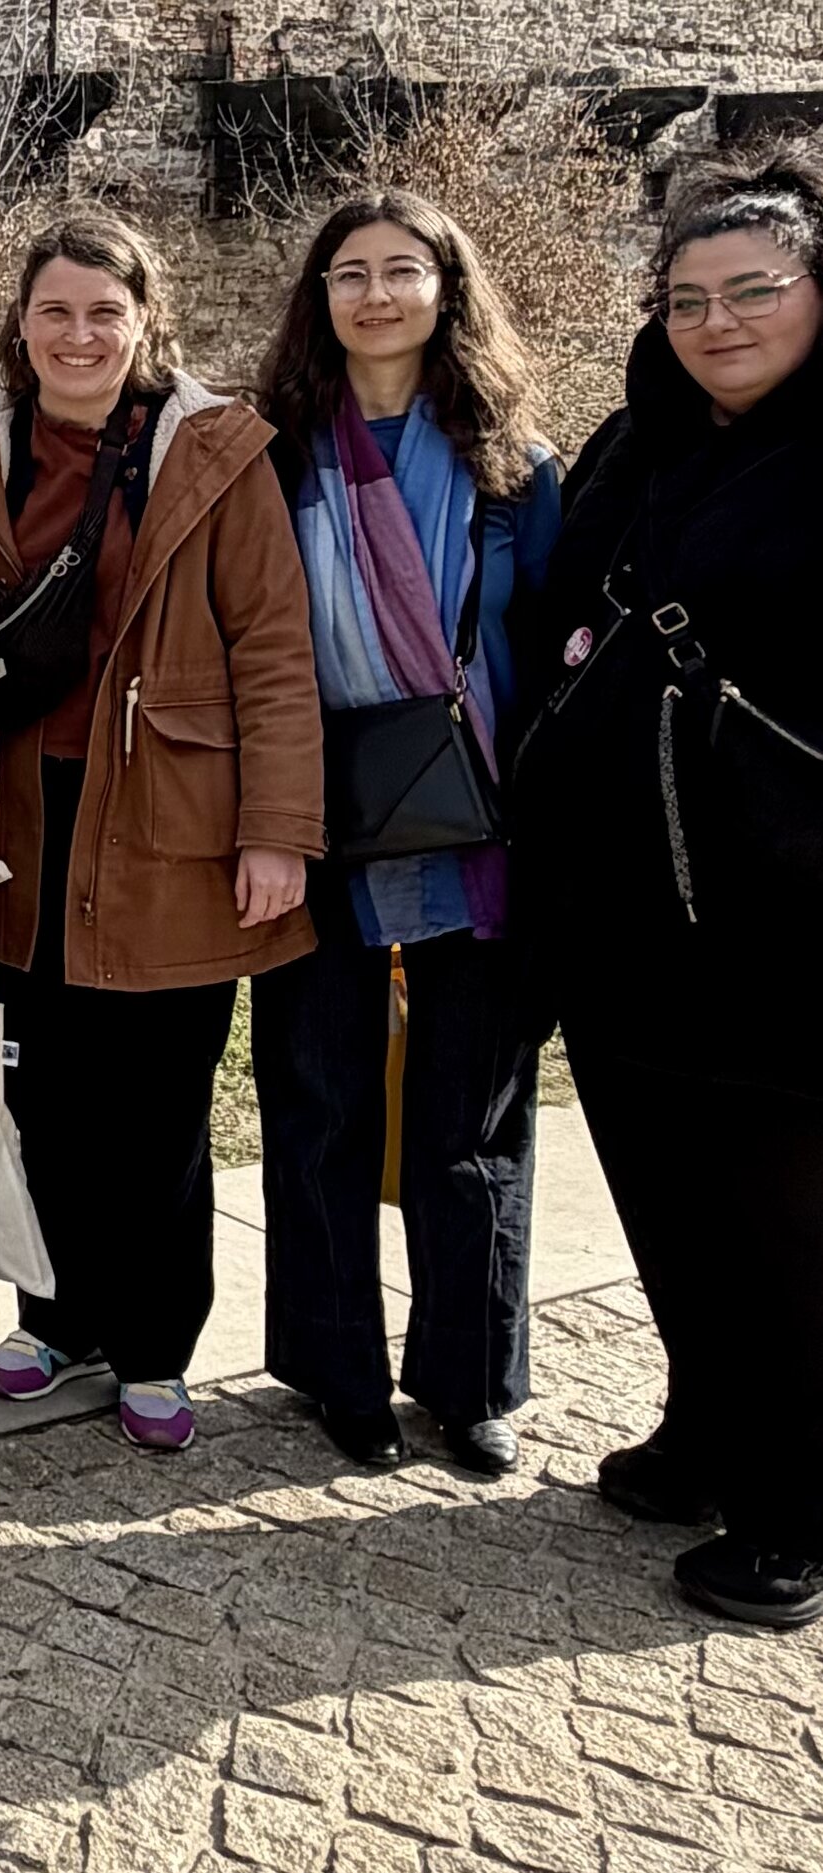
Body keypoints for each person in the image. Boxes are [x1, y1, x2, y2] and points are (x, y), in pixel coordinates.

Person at [509, 147, 823, 1629]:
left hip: (783, 915)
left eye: (753, 290)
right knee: (669, 1198)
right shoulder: (636, 444)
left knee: (787, 1220)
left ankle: (796, 1508)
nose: (717, 320)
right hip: (623, 901)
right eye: (687, 297)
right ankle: (708, 1427)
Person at [0, 211, 324, 1453]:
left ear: (143, 322)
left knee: (157, 1101)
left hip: (171, 817)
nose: (78, 335)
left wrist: (278, 830)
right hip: (21, 817)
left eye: (103, 313)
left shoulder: (214, 454)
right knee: (40, 1092)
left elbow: (273, 650)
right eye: (54, 311)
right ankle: (58, 1316)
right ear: (22, 324)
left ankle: (156, 1342)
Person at [249, 190, 564, 1478]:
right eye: (346, 274)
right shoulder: (272, 452)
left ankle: (468, 1375)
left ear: (448, 286)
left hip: (478, 820)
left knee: (468, 1115)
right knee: (317, 1099)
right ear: (318, 300)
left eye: (401, 270)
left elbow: (549, 646)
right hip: (314, 809)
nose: (374, 296)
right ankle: (339, 1371)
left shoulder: (513, 460)